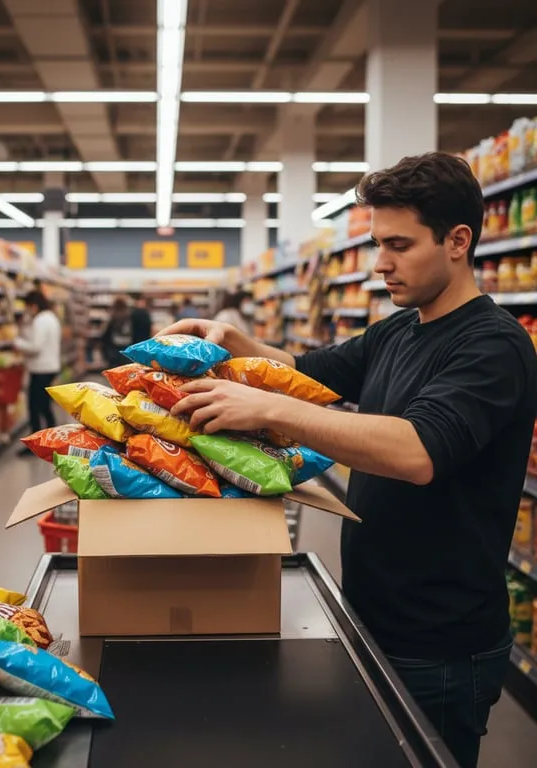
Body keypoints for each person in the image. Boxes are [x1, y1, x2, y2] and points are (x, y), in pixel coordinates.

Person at [164, 152, 537, 768]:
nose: (379, 263)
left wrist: (269, 409)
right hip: (375, 612)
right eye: (375, 244)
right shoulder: (399, 329)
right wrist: (235, 342)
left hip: (440, 641)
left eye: (398, 245)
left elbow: (418, 450)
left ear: (458, 241)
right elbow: (307, 373)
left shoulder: (494, 345)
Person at [14, 290, 62, 440]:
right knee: (45, 405)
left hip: (41, 369)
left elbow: (36, 347)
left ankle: (37, 441)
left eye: (28, 307)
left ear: (34, 305)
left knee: (35, 407)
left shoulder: (40, 320)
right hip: (50, 367)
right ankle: (51, 437)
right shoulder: (52, 317)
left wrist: (16, 342)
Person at [100, 297, 134, 368]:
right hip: (126, 344)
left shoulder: (112, 315)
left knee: (114, 366)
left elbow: (105, 330)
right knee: (125, 366)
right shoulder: (129, 315)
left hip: (114, 345)